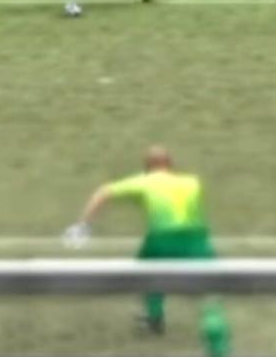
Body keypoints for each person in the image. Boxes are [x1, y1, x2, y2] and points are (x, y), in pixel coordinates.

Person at [63, 146, 231, 357]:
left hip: (161, 240)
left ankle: (154, 316)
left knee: (145, 268)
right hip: (196, 241)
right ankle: (219, 351)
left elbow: (103, 192)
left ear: (147, 167)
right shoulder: (192, 182)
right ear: (170, 164)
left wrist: (83, 224)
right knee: (210, 297)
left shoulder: (144, 181)